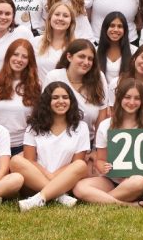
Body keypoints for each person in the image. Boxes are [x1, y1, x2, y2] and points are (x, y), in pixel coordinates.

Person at [73, 78, 143, 206]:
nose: (132, 102)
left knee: (139, 182)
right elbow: (100, 160)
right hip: (111, 179)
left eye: (137, 98)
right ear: (119, 98)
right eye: (127, 97)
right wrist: (103, 168)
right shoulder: (105, 126)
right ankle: (128, 205)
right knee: (79, 187)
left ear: (142, 101)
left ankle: (100, 200)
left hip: (135, 180)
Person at [14, 82, 92, 211]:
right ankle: (59, 196)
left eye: (65, 97)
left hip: (66, 182)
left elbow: (76, 162)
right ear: (47, 101)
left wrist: (55, 176)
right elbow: (29, 161)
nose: (61, 101)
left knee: (81, 165)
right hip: (34, 182)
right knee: (16, 160)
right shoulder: (33, 127)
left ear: (71, 101)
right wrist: (49, 176)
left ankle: (41, 198)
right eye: (55, 98)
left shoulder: (81, 127)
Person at [0, 38, 41, 156]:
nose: (19, 60)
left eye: (24, 57)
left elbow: (40, 120)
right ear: (8, 56)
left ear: (30, 61)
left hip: (24, 147)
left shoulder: (37, 85)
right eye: (15, 54)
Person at [43, 39, 110, 142]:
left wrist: (96, 149)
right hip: (57, 140)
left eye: (90, 59)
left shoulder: (99, 77)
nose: (86, 62)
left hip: (89, 142)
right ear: (69, 57)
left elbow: (102, 116)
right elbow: (45, 111)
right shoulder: (54, 76)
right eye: (81, 56)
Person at [33, 2, 77, 82]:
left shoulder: (76, 46)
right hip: (39, 93)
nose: (60, 18)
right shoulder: (36, 42)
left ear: (71, 22)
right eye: (57, 14)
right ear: (49, 19)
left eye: (65, 16)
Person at [95, 11, 136, 86]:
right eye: (112, 26)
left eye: (120, 26)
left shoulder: (134, 52)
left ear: (125, 30)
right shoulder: (95, 51)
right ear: (105, 28)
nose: (116, 29)